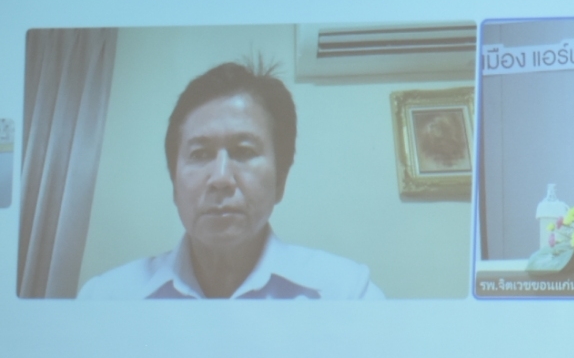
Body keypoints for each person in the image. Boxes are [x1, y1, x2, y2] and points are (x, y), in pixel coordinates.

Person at [77, 62, 382, 299]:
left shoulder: (347, 293)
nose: (220, 178)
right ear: (174, 184)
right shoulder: (105, 298)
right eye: (199, 154)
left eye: (244, 152)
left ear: (280, 181)